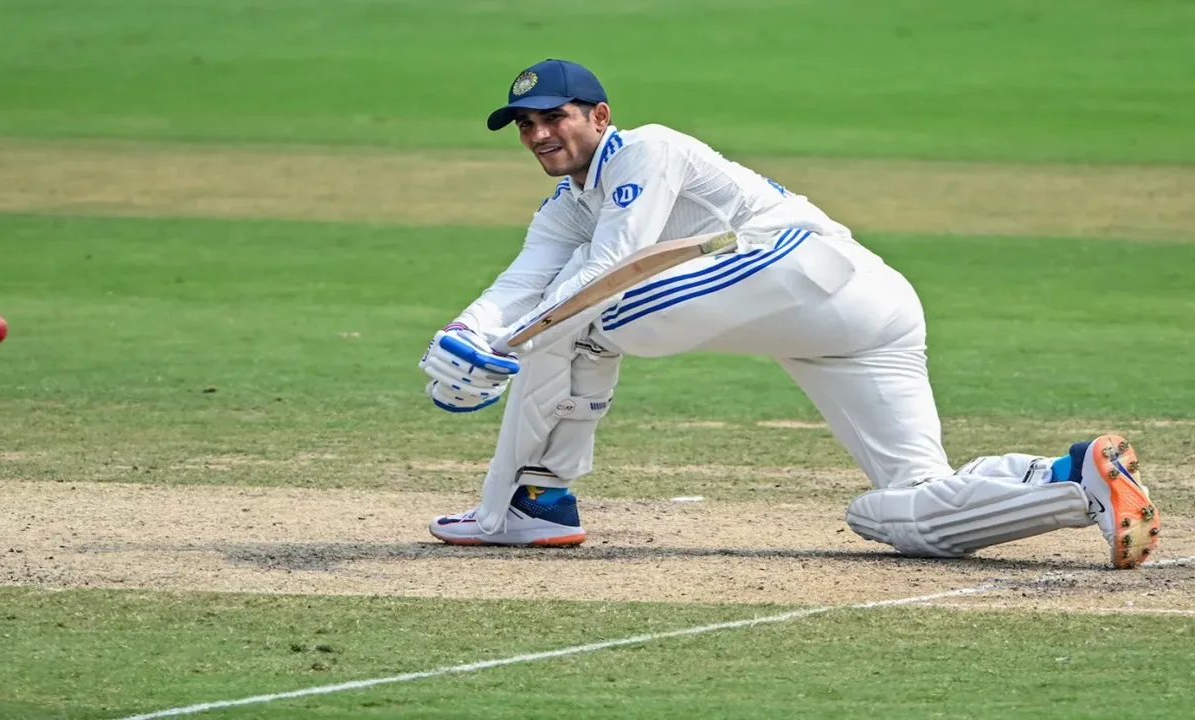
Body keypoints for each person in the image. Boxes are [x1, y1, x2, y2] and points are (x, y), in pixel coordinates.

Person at [417, 59, 1160, 568]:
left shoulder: (647, 149)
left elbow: (613, 264)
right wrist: (466, 335)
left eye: (555, 117)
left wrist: (504, 350)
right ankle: (1073, 479)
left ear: (599, 115)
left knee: (586, 316)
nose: (541, 134)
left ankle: (530, 502)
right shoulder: (562, 209)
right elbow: (523, 279)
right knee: (900, 515)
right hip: (861, 317)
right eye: (526, 125)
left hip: (799, 263)